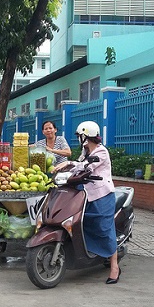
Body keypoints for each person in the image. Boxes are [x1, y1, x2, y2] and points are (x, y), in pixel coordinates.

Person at [53, 121, 119, 284]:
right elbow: (80, 164)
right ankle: (92, 254)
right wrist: (67, 169)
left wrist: (68, 163)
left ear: (86, 136)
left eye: (79, 136)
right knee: (83, 224)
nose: (78, 139)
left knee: (104, 229)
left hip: (102, 195)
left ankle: (114, 267)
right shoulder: (85, 150)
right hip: (87, 194)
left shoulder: (101, 151)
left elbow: (86, 167)